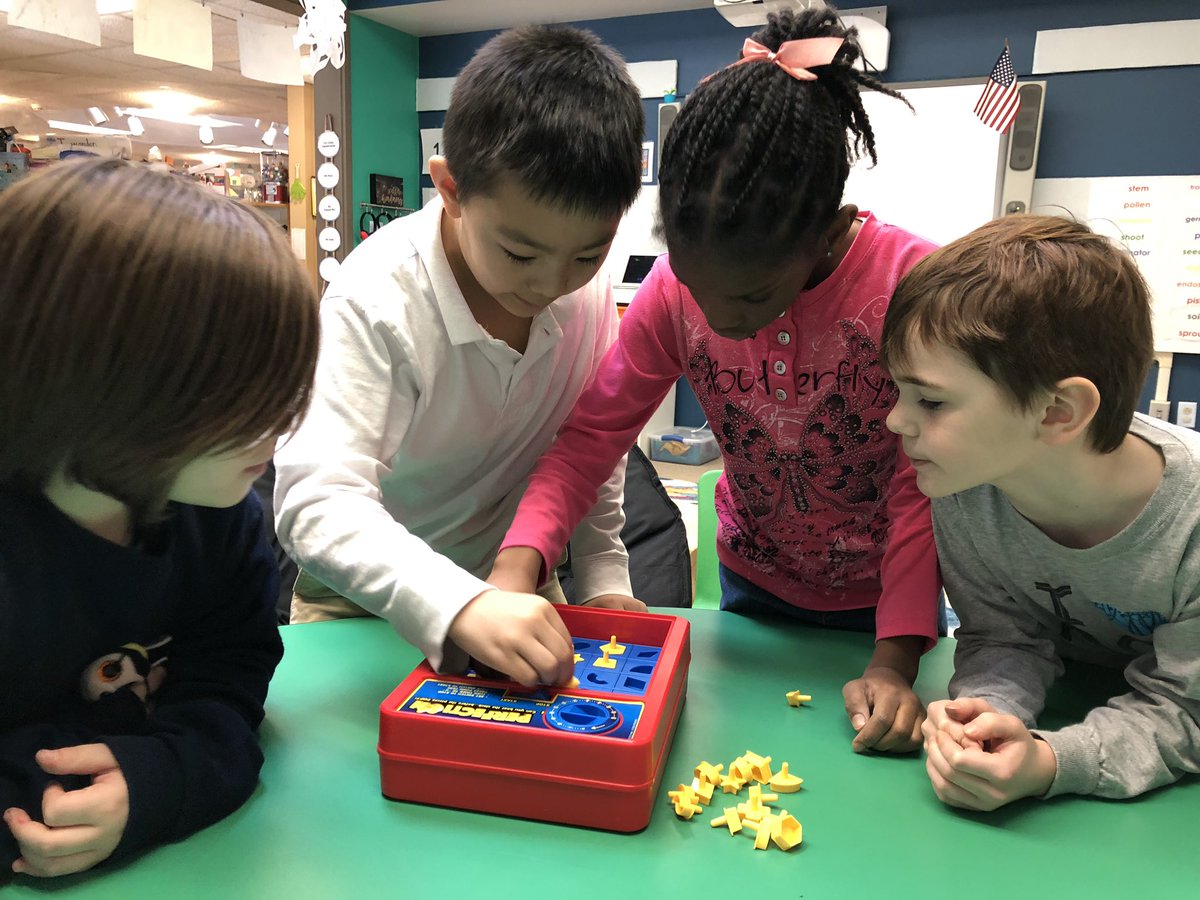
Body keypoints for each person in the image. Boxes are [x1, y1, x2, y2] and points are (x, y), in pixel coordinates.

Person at [491, 6, 942, 752]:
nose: (722, 319)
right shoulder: (672, 291)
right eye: (699, 286)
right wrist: (515, 572)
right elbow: (590, 440)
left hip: (884, 607)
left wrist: (894, 660)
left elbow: (922, 484)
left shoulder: (911, 290)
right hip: (752, 588)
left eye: (755, 298)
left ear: (829, 233)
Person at [273, 25, 647, 690]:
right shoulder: (377, 298)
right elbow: (314, 502)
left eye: (588, 254)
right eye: (520, 253)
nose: (551, 283)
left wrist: (604, 580)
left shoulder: (587, 291)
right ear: (449, 189)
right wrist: (459, 603)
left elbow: (590, 450)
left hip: (520, 583)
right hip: (366, 602)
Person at [0, 157, 319, 879]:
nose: (282, 424)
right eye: (246, 395)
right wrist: (53, 794)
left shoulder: (225, 521)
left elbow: (231, 688)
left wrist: (160, 778)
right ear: (106, 386)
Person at [881, 214, 1200, 808]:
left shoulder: (1192, 524)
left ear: (1058, 410)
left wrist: (1055, 761)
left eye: (929, 399)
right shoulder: (965, 486)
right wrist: (985, 716)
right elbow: (1004, 634)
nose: (896, 420)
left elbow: (1188, 710)